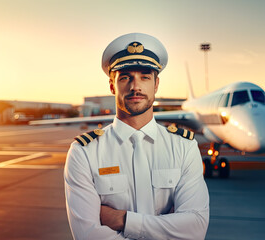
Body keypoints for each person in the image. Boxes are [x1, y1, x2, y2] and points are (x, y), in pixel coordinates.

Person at [64, 33, 209, 240]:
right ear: (112, 86)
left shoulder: (184, 146)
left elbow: (195, 229)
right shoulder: (84, 152)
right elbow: (88, 235)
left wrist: (123, 220)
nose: (135, 86)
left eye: (145, 76)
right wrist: (169, 228)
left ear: (156, 84)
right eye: (125, 77)